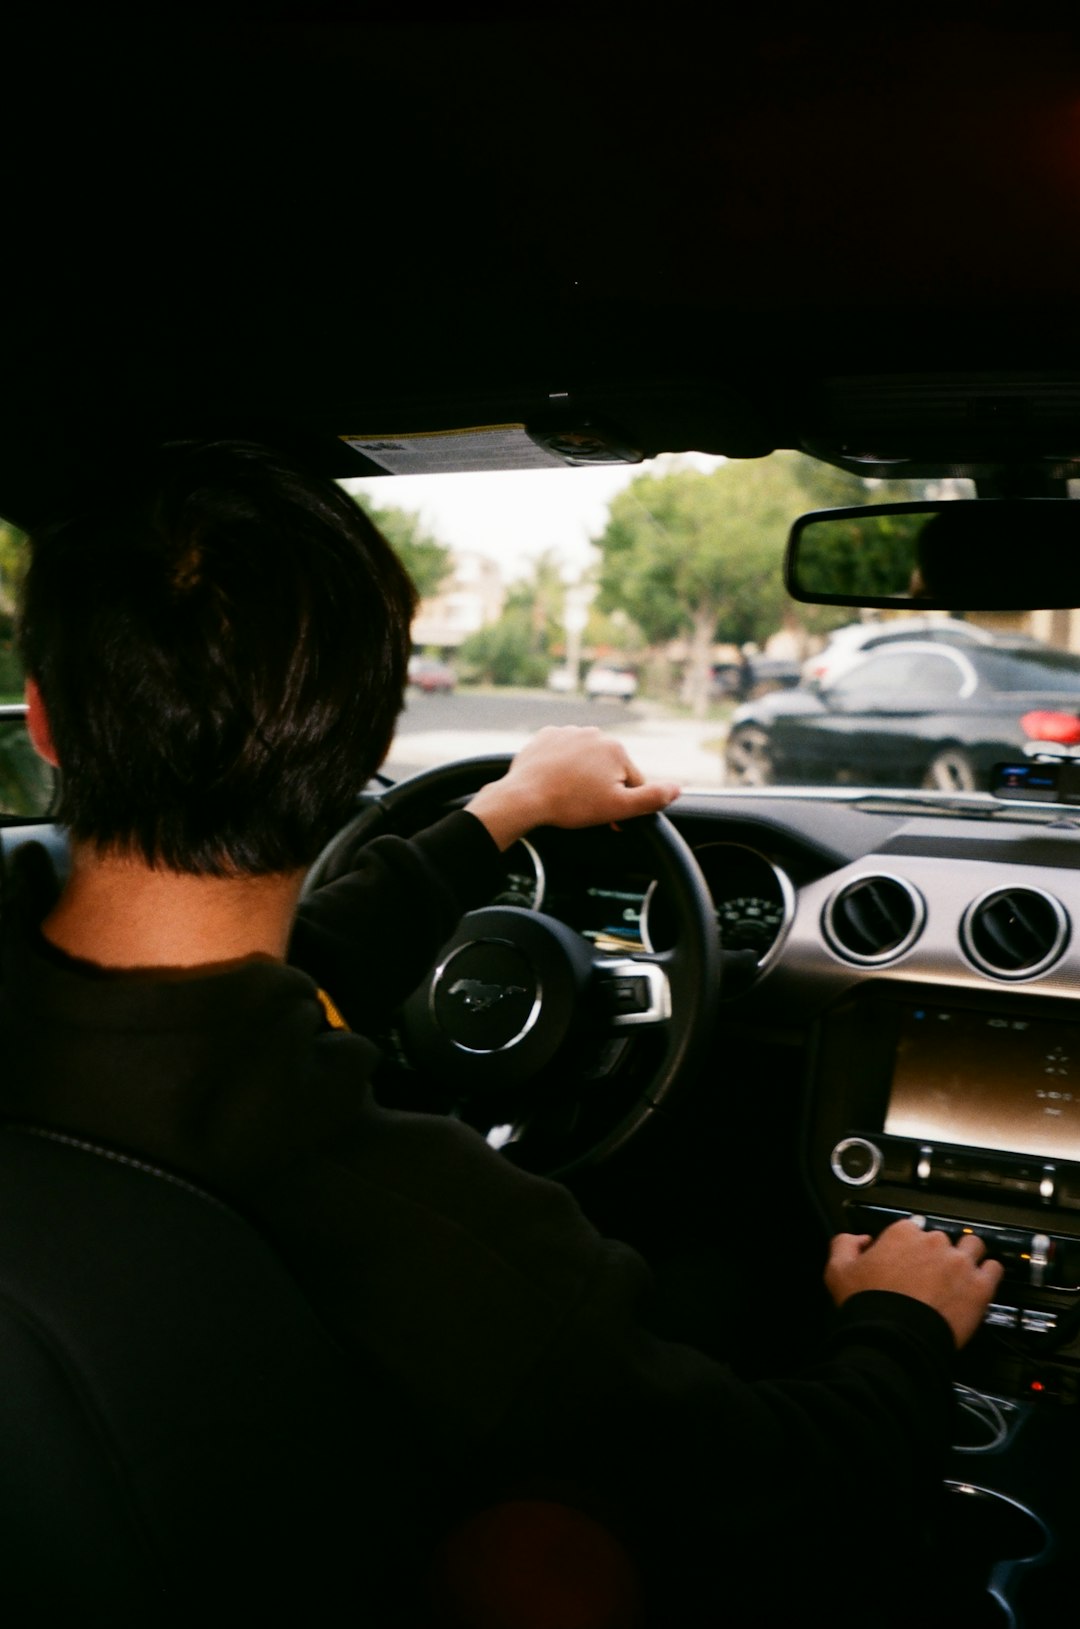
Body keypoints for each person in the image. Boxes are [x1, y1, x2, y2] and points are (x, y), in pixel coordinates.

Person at [2, 441, 1002, 1626]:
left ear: (48, 724)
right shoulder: (392, 1202)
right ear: (364, 749)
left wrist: (507, 809)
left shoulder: (67, 1004)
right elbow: (772, 1481)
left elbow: (277, 967)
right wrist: (903, 1324)